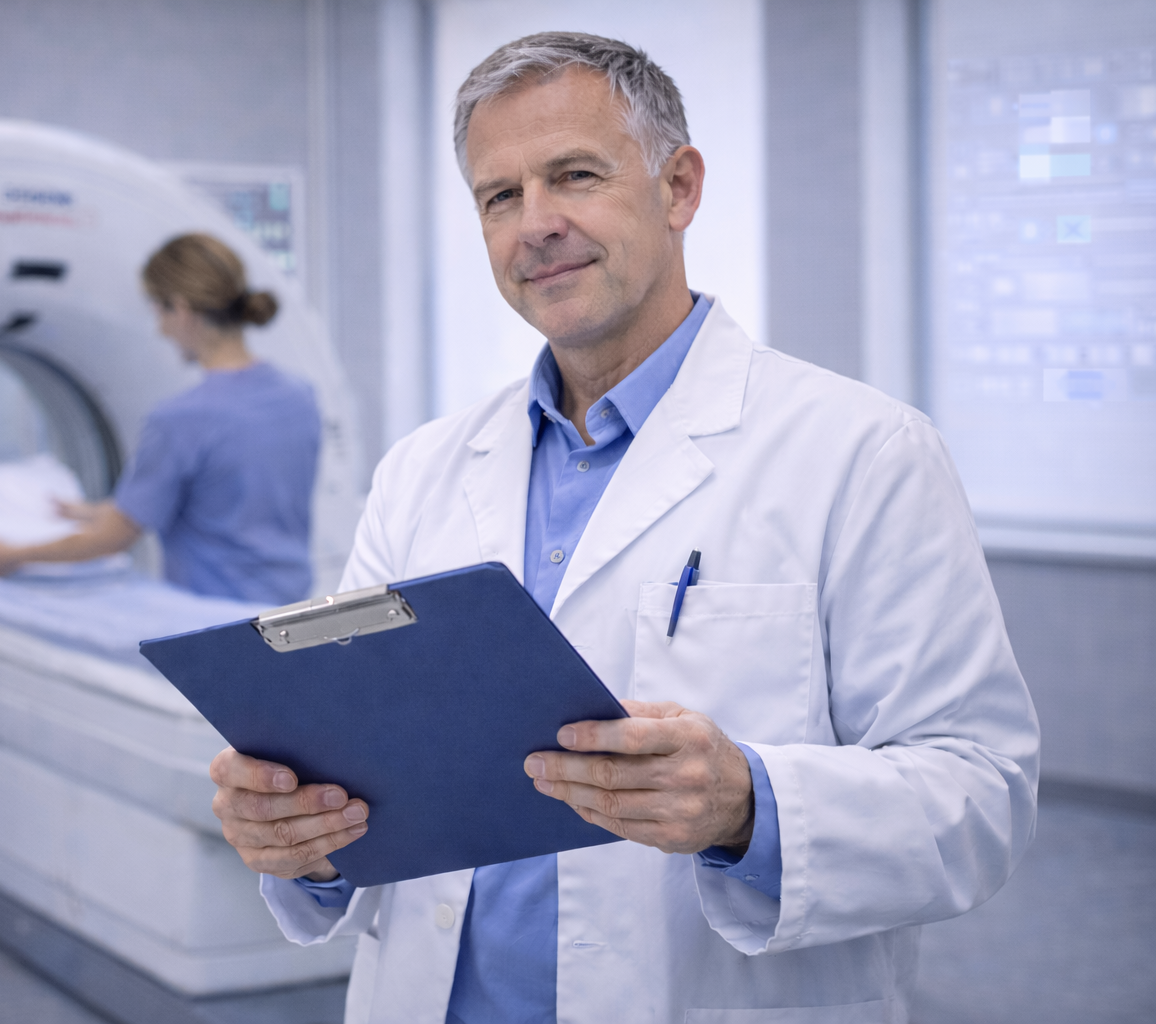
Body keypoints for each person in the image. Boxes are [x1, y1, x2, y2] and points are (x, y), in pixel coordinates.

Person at [207, 32, 1039, 1024]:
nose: (536, 225)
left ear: (679, 188)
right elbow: (369, 774)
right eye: (499, 196)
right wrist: (302, 840)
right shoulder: (421, 471)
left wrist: (748, 803)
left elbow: (981, 795)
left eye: (575, 175)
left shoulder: (862, 452)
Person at [0, 233, 322, 605]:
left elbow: (112, 540)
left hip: (219, 615)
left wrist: (8, 556)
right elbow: (234, 500)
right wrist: (104, 511)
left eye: (159, 312)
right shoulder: (298, 395)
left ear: (181, 310)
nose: (161, 330)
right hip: (292, 607)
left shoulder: (181, 418)